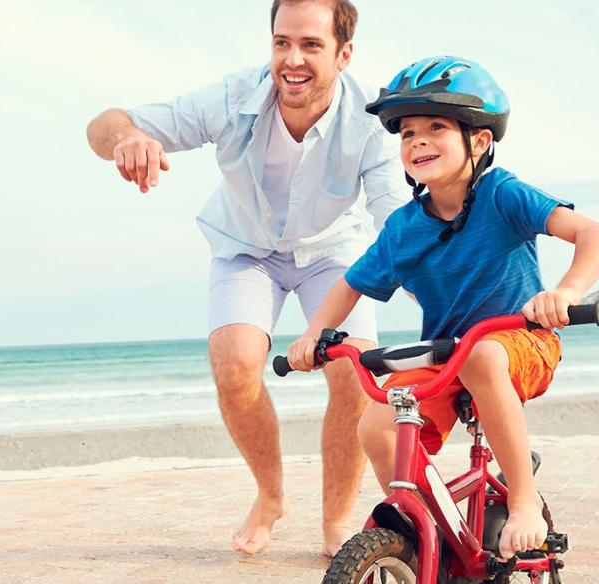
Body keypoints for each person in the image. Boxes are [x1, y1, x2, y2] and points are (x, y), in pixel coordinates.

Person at [85, 0, 407, 556]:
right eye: (282, 42)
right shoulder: (234, 97)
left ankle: (335, 520)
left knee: (356, 375)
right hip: (246, 250)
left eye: (310, 45)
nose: (292, 59)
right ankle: (271, 495)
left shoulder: (373, 122)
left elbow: (396, 222)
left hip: (333, 253)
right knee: (235, 365)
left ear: (343, 54)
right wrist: (125, 139)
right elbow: (104, 122)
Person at [285, 55, 599, 559]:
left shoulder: (502, 193)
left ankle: (524, 501)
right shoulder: (402, 227)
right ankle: (429, 524)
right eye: (407, 133)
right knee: (376, 422)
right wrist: (314, 335)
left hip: (520, 344)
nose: (417, 141)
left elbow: (597, 235)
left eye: (436, 127)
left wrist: (566, 293)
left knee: (484, 353)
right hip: (446, 357)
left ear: (479, 141)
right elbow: (348, 286)